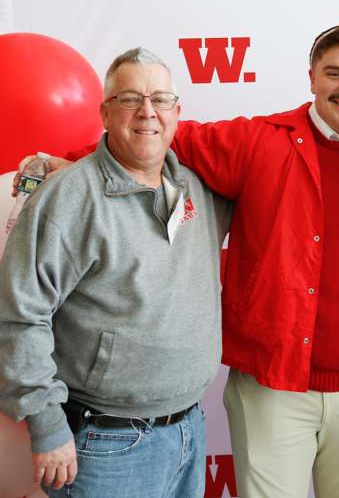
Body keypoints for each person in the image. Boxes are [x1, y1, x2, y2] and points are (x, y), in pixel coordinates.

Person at [44, 24, 339, 498]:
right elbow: (156, 137)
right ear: (312, 78)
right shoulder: (259, 142)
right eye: (335, 73)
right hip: (273, 388)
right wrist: (68, 162)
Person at [0, 47, 230, 497]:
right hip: (105, 441)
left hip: (188, 428)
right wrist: (47, 426)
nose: (147, 112)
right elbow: (19, 316)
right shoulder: (67, 198)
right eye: (129, 99)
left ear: (177, 113)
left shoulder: (199, 189)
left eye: (160, 100)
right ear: (105, 113)